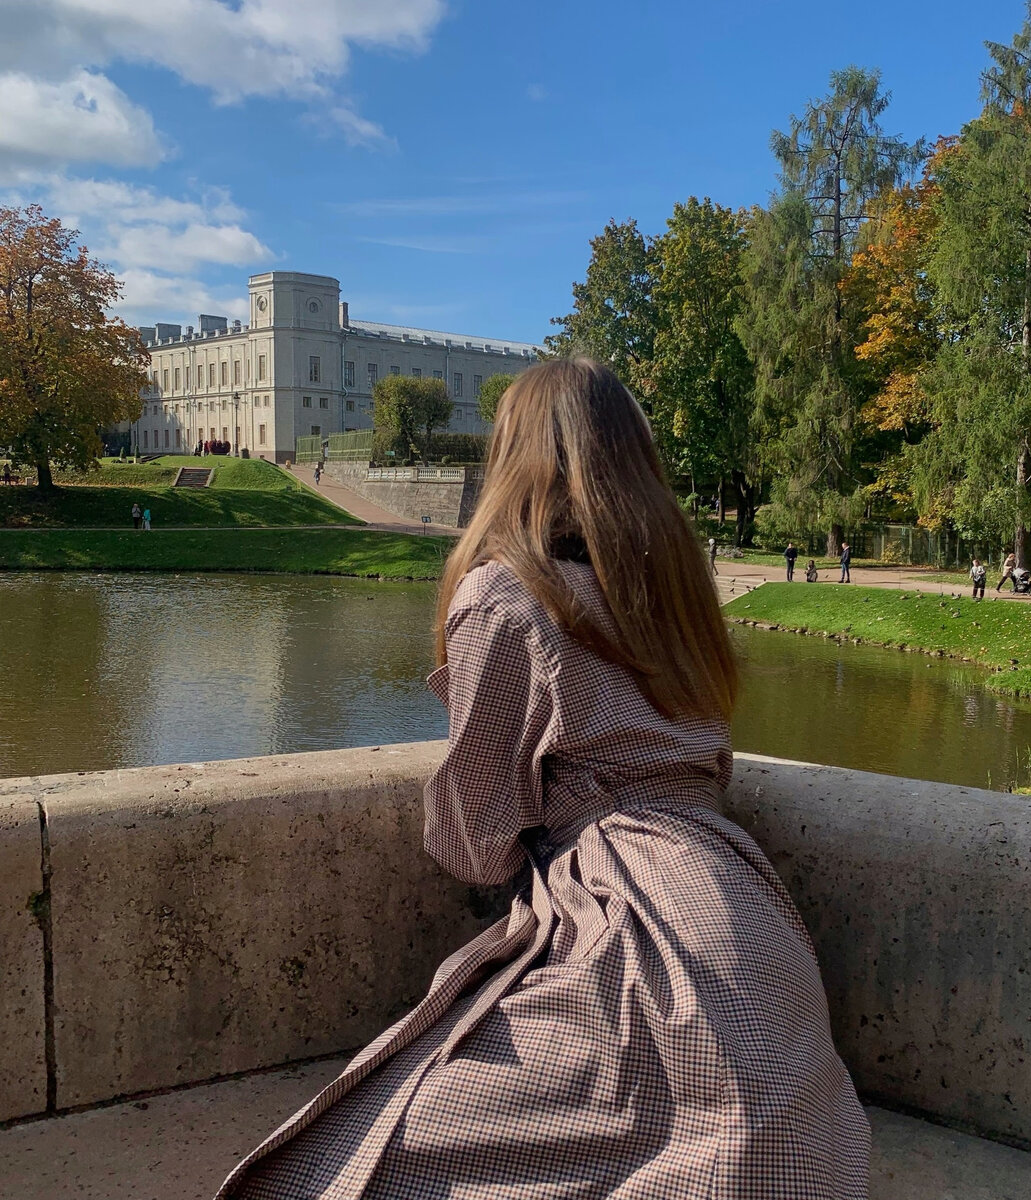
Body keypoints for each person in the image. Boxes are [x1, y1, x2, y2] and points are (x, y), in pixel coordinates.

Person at [214, 358, 869, 1200]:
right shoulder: (678, 597)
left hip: (636, 930)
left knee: (369, 1157)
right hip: (749, 917)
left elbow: (473, 843)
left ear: (516, 457)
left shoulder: (506, 598)